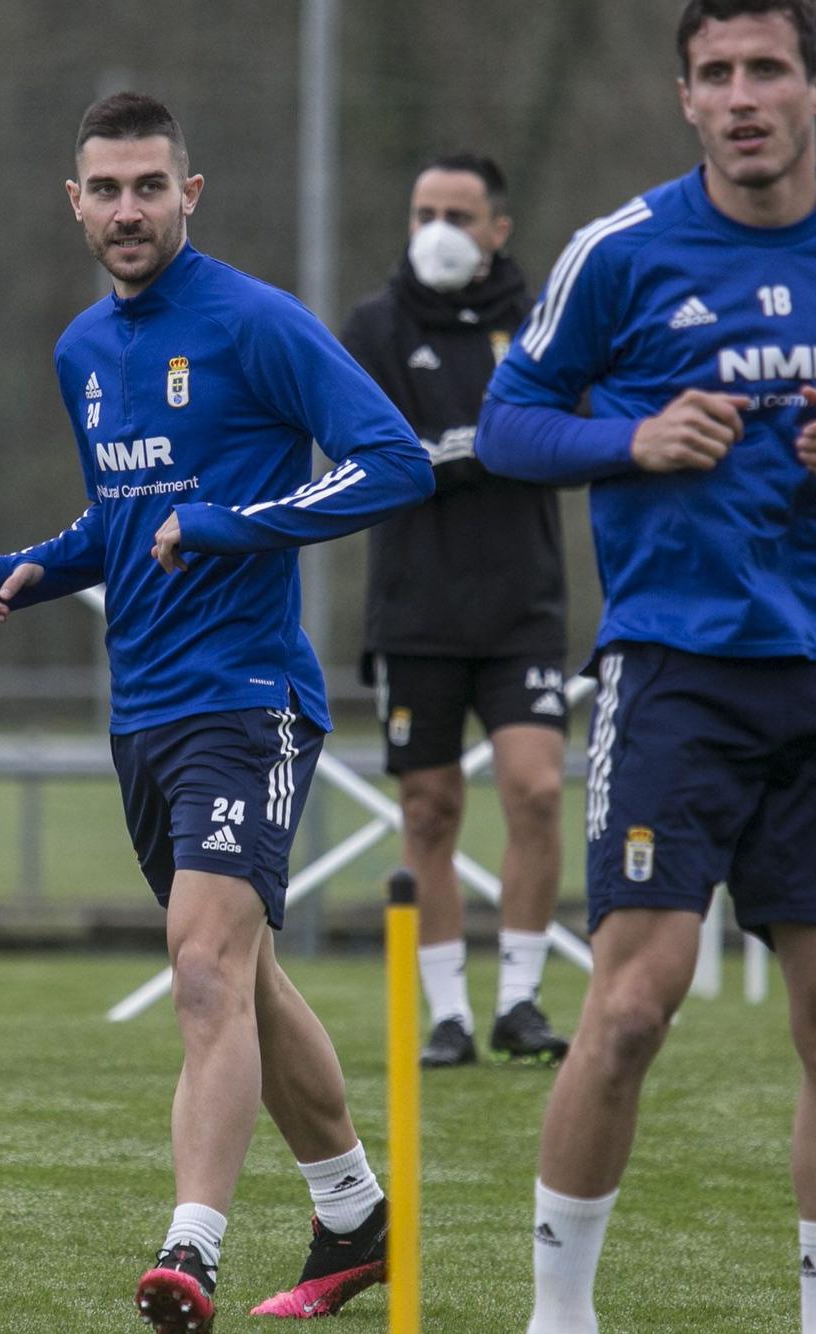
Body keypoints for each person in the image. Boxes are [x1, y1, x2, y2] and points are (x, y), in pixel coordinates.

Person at [474, 3, 816, 1330]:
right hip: (675, 669)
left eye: (767, 70)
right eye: (715, 75)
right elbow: (508, 425)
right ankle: (559, 1314)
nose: (742, 96)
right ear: (685, 98)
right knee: (635, 1002)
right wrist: (633, 440)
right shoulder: (620, 253)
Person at [0, 92, 433, 1332]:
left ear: (191, 193)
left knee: (200, 970)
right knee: (247, 981)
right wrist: (38, 563)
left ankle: (191, 1251)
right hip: (147, 713)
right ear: (73, 201)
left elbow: (393, 459)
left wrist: (240, 522)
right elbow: (127, 518)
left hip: (251, 697)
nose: (128, 211)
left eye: (149, 187)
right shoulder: (80, 350)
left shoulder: (253, 324)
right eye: (105, 190)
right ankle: (354, 1215)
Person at [341, 153, 572, 1071]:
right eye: (423, 209)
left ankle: (520, 997)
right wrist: (485, 448)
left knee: (538, 788)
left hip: (525, 606)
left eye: (459, 214)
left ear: (497, 230)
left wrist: (479, 449)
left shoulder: (542, 323)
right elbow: (377, 455)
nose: (438, 228)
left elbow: (559, 436)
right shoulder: (373, 327)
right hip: (416, 612)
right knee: (429, 810)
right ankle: (448, 1015)